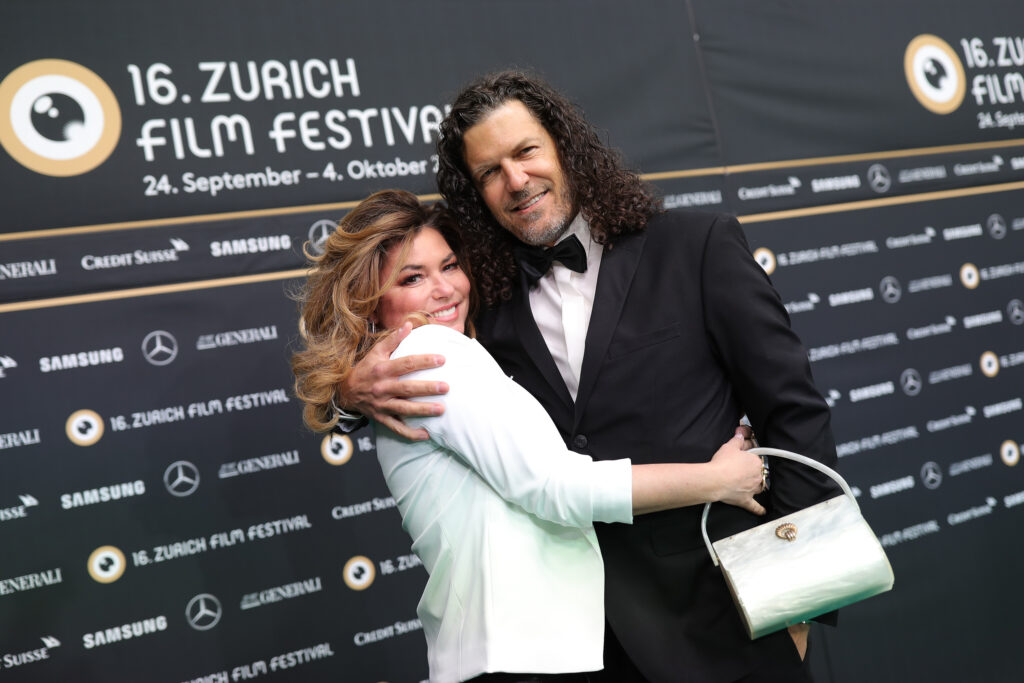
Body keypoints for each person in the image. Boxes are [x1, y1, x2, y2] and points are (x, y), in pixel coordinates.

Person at [339, 72, 839, 682]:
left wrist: (802, 596)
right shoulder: (479, 297)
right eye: (490, 171)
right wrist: (350, 392)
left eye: (525, 152)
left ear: (564, 148)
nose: (516, 181)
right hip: (584, 640)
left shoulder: (695, 247)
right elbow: (410, 345)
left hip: (728, 612)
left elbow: (795, 413)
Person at [292, 189, 768, 683]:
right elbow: (555, 487)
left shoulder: (442, 348)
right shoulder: (432, 350)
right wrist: (717, 479)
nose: (445, 289)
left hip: (526, 646)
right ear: (370, 303)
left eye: (450, 266)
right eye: (412, 278)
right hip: (516, 654)